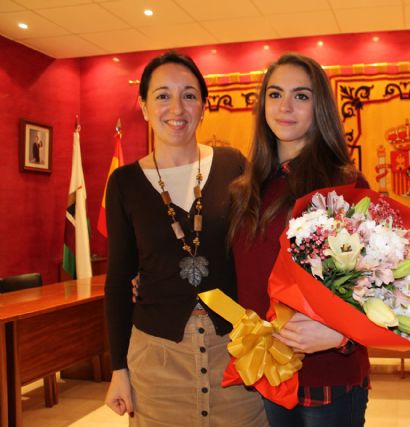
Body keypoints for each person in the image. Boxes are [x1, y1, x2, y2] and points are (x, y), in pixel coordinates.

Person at [104, 51, 268, 427]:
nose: (176, 108)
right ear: (143, 106)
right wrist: (118, 369)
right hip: (156, 358)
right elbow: (118, 282)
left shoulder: (233, 165)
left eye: (189, 95)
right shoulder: (124, 183)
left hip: (236, 352)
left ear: (204, 107)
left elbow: (258, 252)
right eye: (162, 95)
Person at [229, 53, 370, 427]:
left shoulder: (344, 184)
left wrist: (341, 334)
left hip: (329, 376)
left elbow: (378, 282)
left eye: (301, 96)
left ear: (319, 106)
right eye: (275, 94)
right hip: (269, 370)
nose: (285, 107)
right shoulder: (246, 189)